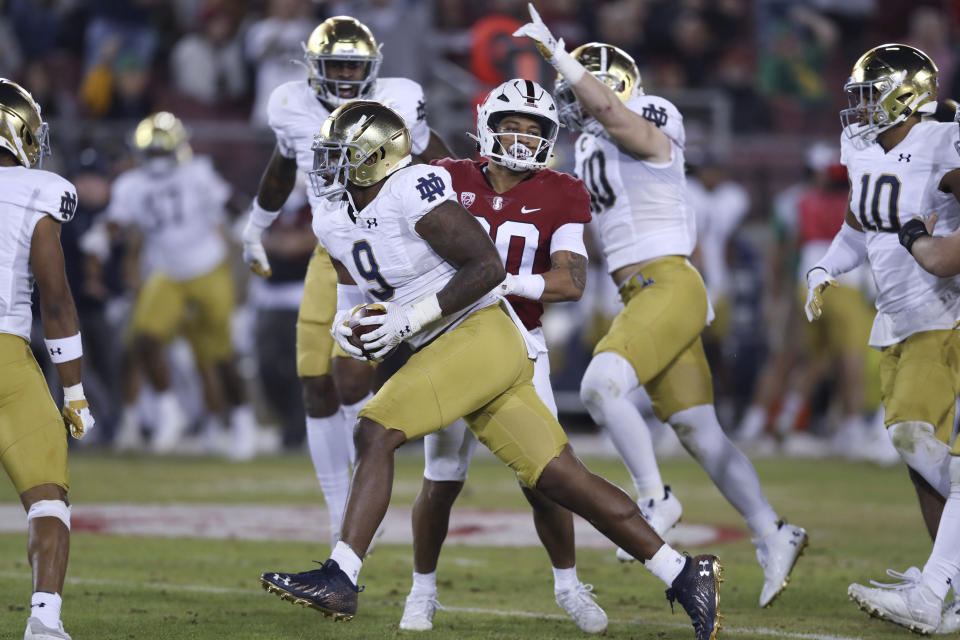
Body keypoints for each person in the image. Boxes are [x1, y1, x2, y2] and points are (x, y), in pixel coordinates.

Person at [258, 101, 723, 640]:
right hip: (449, 344)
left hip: (480, 334)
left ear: (375, 157)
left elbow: (488, 267)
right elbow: (350, 284)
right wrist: (344, 324)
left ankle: (342, 575)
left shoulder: (414, 188)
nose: (328, 165)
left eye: (341, 153)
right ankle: (686, 572)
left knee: (375, 429)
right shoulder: (331, 213)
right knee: (562, 480)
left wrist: (408, 320)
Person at [513, 3, 806, 609]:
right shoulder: (589, 148)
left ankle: (653, 496)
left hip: (669, 282)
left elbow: (616, 115)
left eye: (578, 88)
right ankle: (775, 531)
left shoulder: (649, 114)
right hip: (638, 288)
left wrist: (560, 57)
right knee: (701, 431)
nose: (569, 101)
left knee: (599, 387)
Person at [398, 79, 605, 634]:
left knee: (545, 478)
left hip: (521, 344)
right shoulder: (447, 179)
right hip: (451, 339)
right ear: (487, 124)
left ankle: (567, 586)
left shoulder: (562, 190)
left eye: (534, 129)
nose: (522, 137)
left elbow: (571, 281)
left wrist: (496, 280)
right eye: (512, 124)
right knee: (441, 478)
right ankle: (422, 592)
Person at [240, 15, 452, 549]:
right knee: (316, 381)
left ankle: (381, 485)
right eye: (335, 65)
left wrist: (474, 206)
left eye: (355, 66)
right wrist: (255, 227)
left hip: (399, 246)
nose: (344, 76)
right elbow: (284, 164)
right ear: (313, 68)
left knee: (355, 382)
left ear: (374, 68)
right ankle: (343, 515)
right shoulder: (290, 105)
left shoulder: (401, 98)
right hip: (335, 249)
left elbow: (433, 154)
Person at [805, 43, 960, 634]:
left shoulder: (941, 142)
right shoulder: (865, 149)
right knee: (916, 455)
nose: (860, 107)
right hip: (895, 316)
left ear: (905, 94)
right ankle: (943, 580)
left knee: (917, 437)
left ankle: (938, 581)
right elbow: (857, 226)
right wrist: (825, 269)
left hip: (941, 314)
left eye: (869, 95)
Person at [0, 78, 95, 640]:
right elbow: (55, 300)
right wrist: (75, 390)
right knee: (46, 495)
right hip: (5, 357)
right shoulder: (36, 189)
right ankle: (44, 619)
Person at [107, 111, 257, 458]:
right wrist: (101, 237)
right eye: (153, 153)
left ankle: (241, 420)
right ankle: (168, 410)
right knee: (144, 338)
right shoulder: (130, 185)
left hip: (207, 267)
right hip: (166, 273)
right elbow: (116, 222)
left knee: (221, 355)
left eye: (163, 152)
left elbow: (232, 204)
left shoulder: (198, 174)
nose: (158, 160)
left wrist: (249, 230)